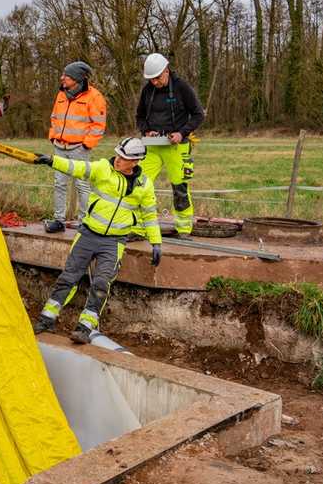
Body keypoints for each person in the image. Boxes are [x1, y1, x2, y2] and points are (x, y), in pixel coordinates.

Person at [31, 137, 162, 344]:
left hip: (115, 241)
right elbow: (77, 167)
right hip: (88, 234)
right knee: (69, 277)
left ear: (136, 161)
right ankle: (47, 318)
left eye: (124, 158)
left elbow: (150, 215)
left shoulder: (145, 185)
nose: (118, 160)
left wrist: (156, 243)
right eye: (118, 154)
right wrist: (52, 161)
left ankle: (85, 327)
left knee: (101, 283)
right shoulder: (103, 168)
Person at [135, 53, 206, 236]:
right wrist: (146, 131)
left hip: (177, 146)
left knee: (179, 188)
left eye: (157, 78)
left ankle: (183, 229)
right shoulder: (147, 90)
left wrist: (182, 133)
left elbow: (199, 114)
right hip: (153, 146)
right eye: (151, 79)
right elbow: (140, 116)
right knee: (139, 184)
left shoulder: (182, 88)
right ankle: (138, 228)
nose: (155, 83)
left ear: (166, 71)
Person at [45, 61, 107, 233]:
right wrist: (53, 136)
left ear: (77, 79)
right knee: (59, 184)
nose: (62, 78)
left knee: (82, 185)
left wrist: (87, 144)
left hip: (79, 148)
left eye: (67, 75)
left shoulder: (95, 97)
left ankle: (85, 222)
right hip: (59, 146)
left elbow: (98, 125)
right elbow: (54, 117)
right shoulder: (61, 94)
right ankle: (58, 220)